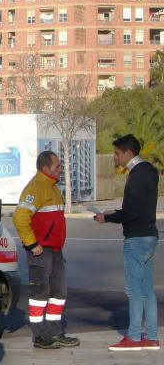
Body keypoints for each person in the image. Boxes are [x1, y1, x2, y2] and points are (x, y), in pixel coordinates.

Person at [95, 134, 160, 351]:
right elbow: (140, 207)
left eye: (117, 153)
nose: (115, 158)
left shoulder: (136, 174)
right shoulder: (150, 171)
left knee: (134, 290)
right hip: (150, 234)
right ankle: (151, 337)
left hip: (137, 238)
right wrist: (115, 212)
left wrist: (108, 217)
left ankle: (133, 337)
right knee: (146, 290)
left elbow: (132, 211)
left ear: (128, 153)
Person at [13, 151, 79, 349]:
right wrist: (32, 244)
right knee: (40, 295)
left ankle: (55, 333)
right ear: (46, 168)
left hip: (55, 250)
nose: (61, 169)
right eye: (57, 166)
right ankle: (41, 336)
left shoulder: (52, 186)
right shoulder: (36, 187)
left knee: (58, 293)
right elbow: (20, 217)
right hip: (41, 251)